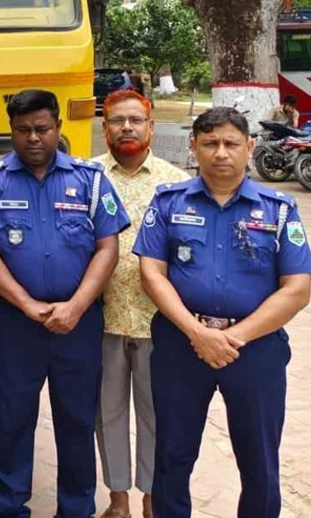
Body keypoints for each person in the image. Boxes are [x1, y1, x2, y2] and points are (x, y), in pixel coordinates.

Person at [134, 107, 311, 518]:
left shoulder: (279, 209)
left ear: (249, 147)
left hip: (254, 351)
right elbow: (151, 274)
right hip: (182, 346)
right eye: (210, 143)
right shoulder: (167, 202)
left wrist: (232, 337)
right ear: (193, 147)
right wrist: (197, 333)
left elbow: (297, 289)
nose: (221, 153)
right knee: (173, 455)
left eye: (231, 143)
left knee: (259, 462)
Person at [0, 88, 130, 518]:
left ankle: (76, 509)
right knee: (13, 418)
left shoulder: (88, 179)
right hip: (15, 323)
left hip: (78, 323)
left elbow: (107, 248)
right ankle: (9, 507)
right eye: (22, 131)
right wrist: (25, 304)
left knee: (76, 420)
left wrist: (76, 305)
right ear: (11, 132)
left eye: (42, 129)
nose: (33, 138)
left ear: (57, 126)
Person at [93, 90, 188, 518]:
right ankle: (118, 501)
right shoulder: (86, 176)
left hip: (158, 321)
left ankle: (152, 499)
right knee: (107, 414)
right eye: (117, 120)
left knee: (157, 415)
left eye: (135, 120)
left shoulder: (177, 183)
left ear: (151, 127)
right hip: (101, 317)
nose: (126, 127)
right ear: (104, 127)